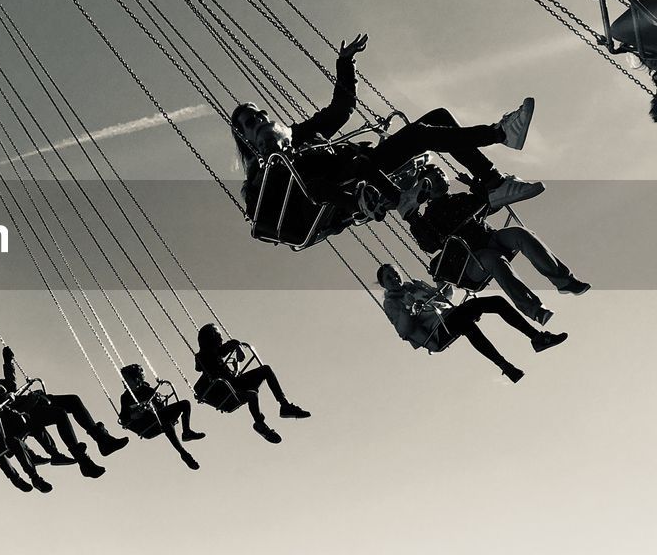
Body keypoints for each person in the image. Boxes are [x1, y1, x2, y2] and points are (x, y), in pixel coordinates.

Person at [232, 33, 545, 225]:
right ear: (247, 139)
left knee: (438, 116)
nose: (260, 119)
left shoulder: (300, 134)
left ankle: (493, 181)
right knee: (421, 135)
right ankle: (500, 134)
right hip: (348, 183)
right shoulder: (265, 176)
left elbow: (340, 110)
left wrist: (344, 63)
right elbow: (269, 211)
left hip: (364, 164)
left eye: (260, 113)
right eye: (250, 122)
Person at [402, 163, 590, 323]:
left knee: (520, 233)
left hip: (489, 238)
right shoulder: (428, 218)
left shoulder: (460, 198)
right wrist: (414, 219)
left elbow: (491, 203)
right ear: (425, 189)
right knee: (494, 259)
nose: (442, 178)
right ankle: (534, 309)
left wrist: (475, 185)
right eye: (435, 178)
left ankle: (564, 281)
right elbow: (429, 245)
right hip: (470, 261)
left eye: (442, 174)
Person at [0, 343, 126, 479]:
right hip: (18, 415)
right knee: (59, 414)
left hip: (26, 403)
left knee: (73, 400)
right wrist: (10, 399)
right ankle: (84, 461)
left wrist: (7, 362)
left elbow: (10, 386)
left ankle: (102, 439)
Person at [376, 264, 567, 381]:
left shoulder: (415, 284)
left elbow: (444, 296)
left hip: (451, 315)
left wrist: (442, 282)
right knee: (466, 322)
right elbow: (404, 330)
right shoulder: (391, 303)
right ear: (384, 284)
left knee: (493, 305)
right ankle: (524, 350)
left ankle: (519, 354)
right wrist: (408, 309)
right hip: (436, 332)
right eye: (389, 277)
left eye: (395, 273)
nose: (394, 278)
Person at [194, 324, 309, 444]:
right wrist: (236, 346)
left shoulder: (217, 355)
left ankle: (284, 405)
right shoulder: (203, 356)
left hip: (235, 385)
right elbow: (214, 355)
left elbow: (227, 350)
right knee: (252, 395)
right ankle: (260, 424)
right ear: (210, 338)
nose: (222, 339)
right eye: (218, 336)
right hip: (226, 395)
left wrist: (236, 358)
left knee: (266, 370)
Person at [118, 364, 204, 470]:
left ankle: (186, 432)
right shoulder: (125, 397)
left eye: (126, 380)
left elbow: (161, 409)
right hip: (144, 426)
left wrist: (151, 407)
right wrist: (134, 415)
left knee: (185, 404)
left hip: (157, 419)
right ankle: (183, 452)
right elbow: (123, 418)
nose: (124, 383)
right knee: (164, 422)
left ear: (136, 380)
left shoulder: (148, 391)